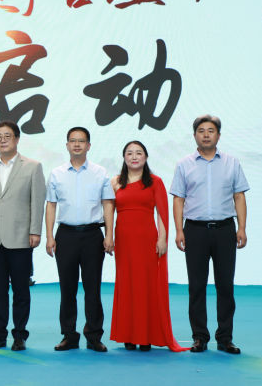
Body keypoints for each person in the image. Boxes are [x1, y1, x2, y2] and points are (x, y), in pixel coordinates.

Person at [170, 115, 249, 354]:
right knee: (196, 286)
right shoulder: (184, 164)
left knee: (225, 286)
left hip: (225, 230)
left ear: (218, 135)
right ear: (195, 135)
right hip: (195, 230)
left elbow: (239, 196)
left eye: (211, 130)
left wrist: (242, 227)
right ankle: (199, 337)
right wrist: (179, 230)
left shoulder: (232, 163)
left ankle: (225, 338)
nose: (206, 134)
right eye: (201, 130)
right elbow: (178, 199)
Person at [109, 141, 187, 352]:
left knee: (146, 285)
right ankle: (128, 334)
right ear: (124, 157)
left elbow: (162, 212)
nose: (134, 157)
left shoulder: (155, 182)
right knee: (126, 284)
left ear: (146, 157)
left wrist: (162, 238)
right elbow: (108, 212)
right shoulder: (115, 182)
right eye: (129, 153)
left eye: (139, 153)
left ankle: (145, 336)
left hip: (147, 239)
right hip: (124, 240)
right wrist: (109, 237)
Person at [45, 126, 114, 352]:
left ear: (88, 146)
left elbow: (108, 204)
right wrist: (49, 236)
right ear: (67, 145)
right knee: (67, 289)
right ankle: (69, 335)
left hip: (93, 235)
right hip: (65, 235)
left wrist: (109, 235)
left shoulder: (100, 173)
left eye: (81, 141)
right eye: (73, 141)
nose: (77, 144)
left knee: (93, 288)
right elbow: (51, 205)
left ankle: (94, 336)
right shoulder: (57, 173)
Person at [0, 121, 45, 352]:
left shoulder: (33, 166)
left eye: (7, 136)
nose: (3, 140)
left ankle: (19, 334)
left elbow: (37, 200)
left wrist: (35, 230)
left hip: (21, 236)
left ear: (17, 139)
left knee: (21, 289)